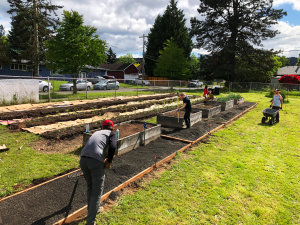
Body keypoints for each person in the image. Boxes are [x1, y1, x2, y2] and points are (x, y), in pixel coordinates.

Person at [80, 119, 117, 225]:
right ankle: (91, 222)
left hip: (83, 159)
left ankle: (91, 210)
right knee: (96, 192)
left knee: (90, 187)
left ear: (102, 127)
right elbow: (113, 147)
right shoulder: (112, 134)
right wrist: (109, 160)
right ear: (112, 128)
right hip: (95, 161)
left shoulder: (96, 133)